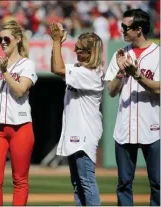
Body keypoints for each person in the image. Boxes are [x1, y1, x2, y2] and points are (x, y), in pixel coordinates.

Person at [104, 8, 160, 206]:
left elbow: (159, 89)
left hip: (153, 127)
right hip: (125, 127)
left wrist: (137, 75)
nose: (122, 30)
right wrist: (121, 73)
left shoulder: (158, 54)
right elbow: (111, 91)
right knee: (124, 184)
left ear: (139, 29)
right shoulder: (120, 54)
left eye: (125, 27)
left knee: (158, 184)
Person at [0, 20, 37, 206]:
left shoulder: (27, 64)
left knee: (20, 179)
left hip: (21, 126)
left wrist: (4, 72)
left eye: (6, 38)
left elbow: (20, 90)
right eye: (0, 39)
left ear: (18, 39)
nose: (3, 42)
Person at [49, 22, 104, 206]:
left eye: (79, 49)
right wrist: (55, 43)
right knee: (77, 184)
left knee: (86, 182)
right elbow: (55, 68)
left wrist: (57, 41)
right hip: (77, 132)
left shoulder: (90, 73)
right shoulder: (82, 70)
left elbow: (58, 69)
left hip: (84, 134)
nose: (75, 52)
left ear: (90, 53)